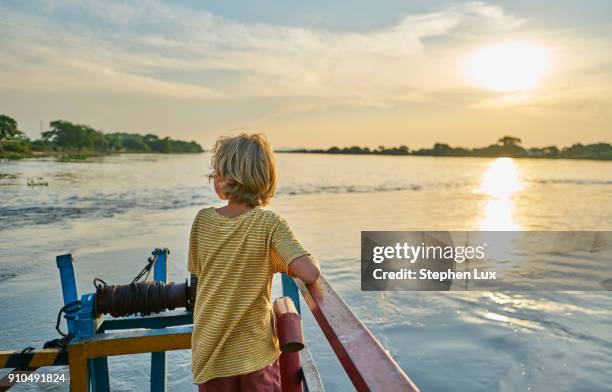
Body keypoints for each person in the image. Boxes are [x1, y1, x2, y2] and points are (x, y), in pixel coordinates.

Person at [188, 133, 320, 391]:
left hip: (209, 353)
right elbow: (309, 273)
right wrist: (306, 258)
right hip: (253, 354)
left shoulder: (202, 221)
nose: (214, 178)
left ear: (226, 180)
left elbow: (201, 271)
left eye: (217, 172)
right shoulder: (269, 223)